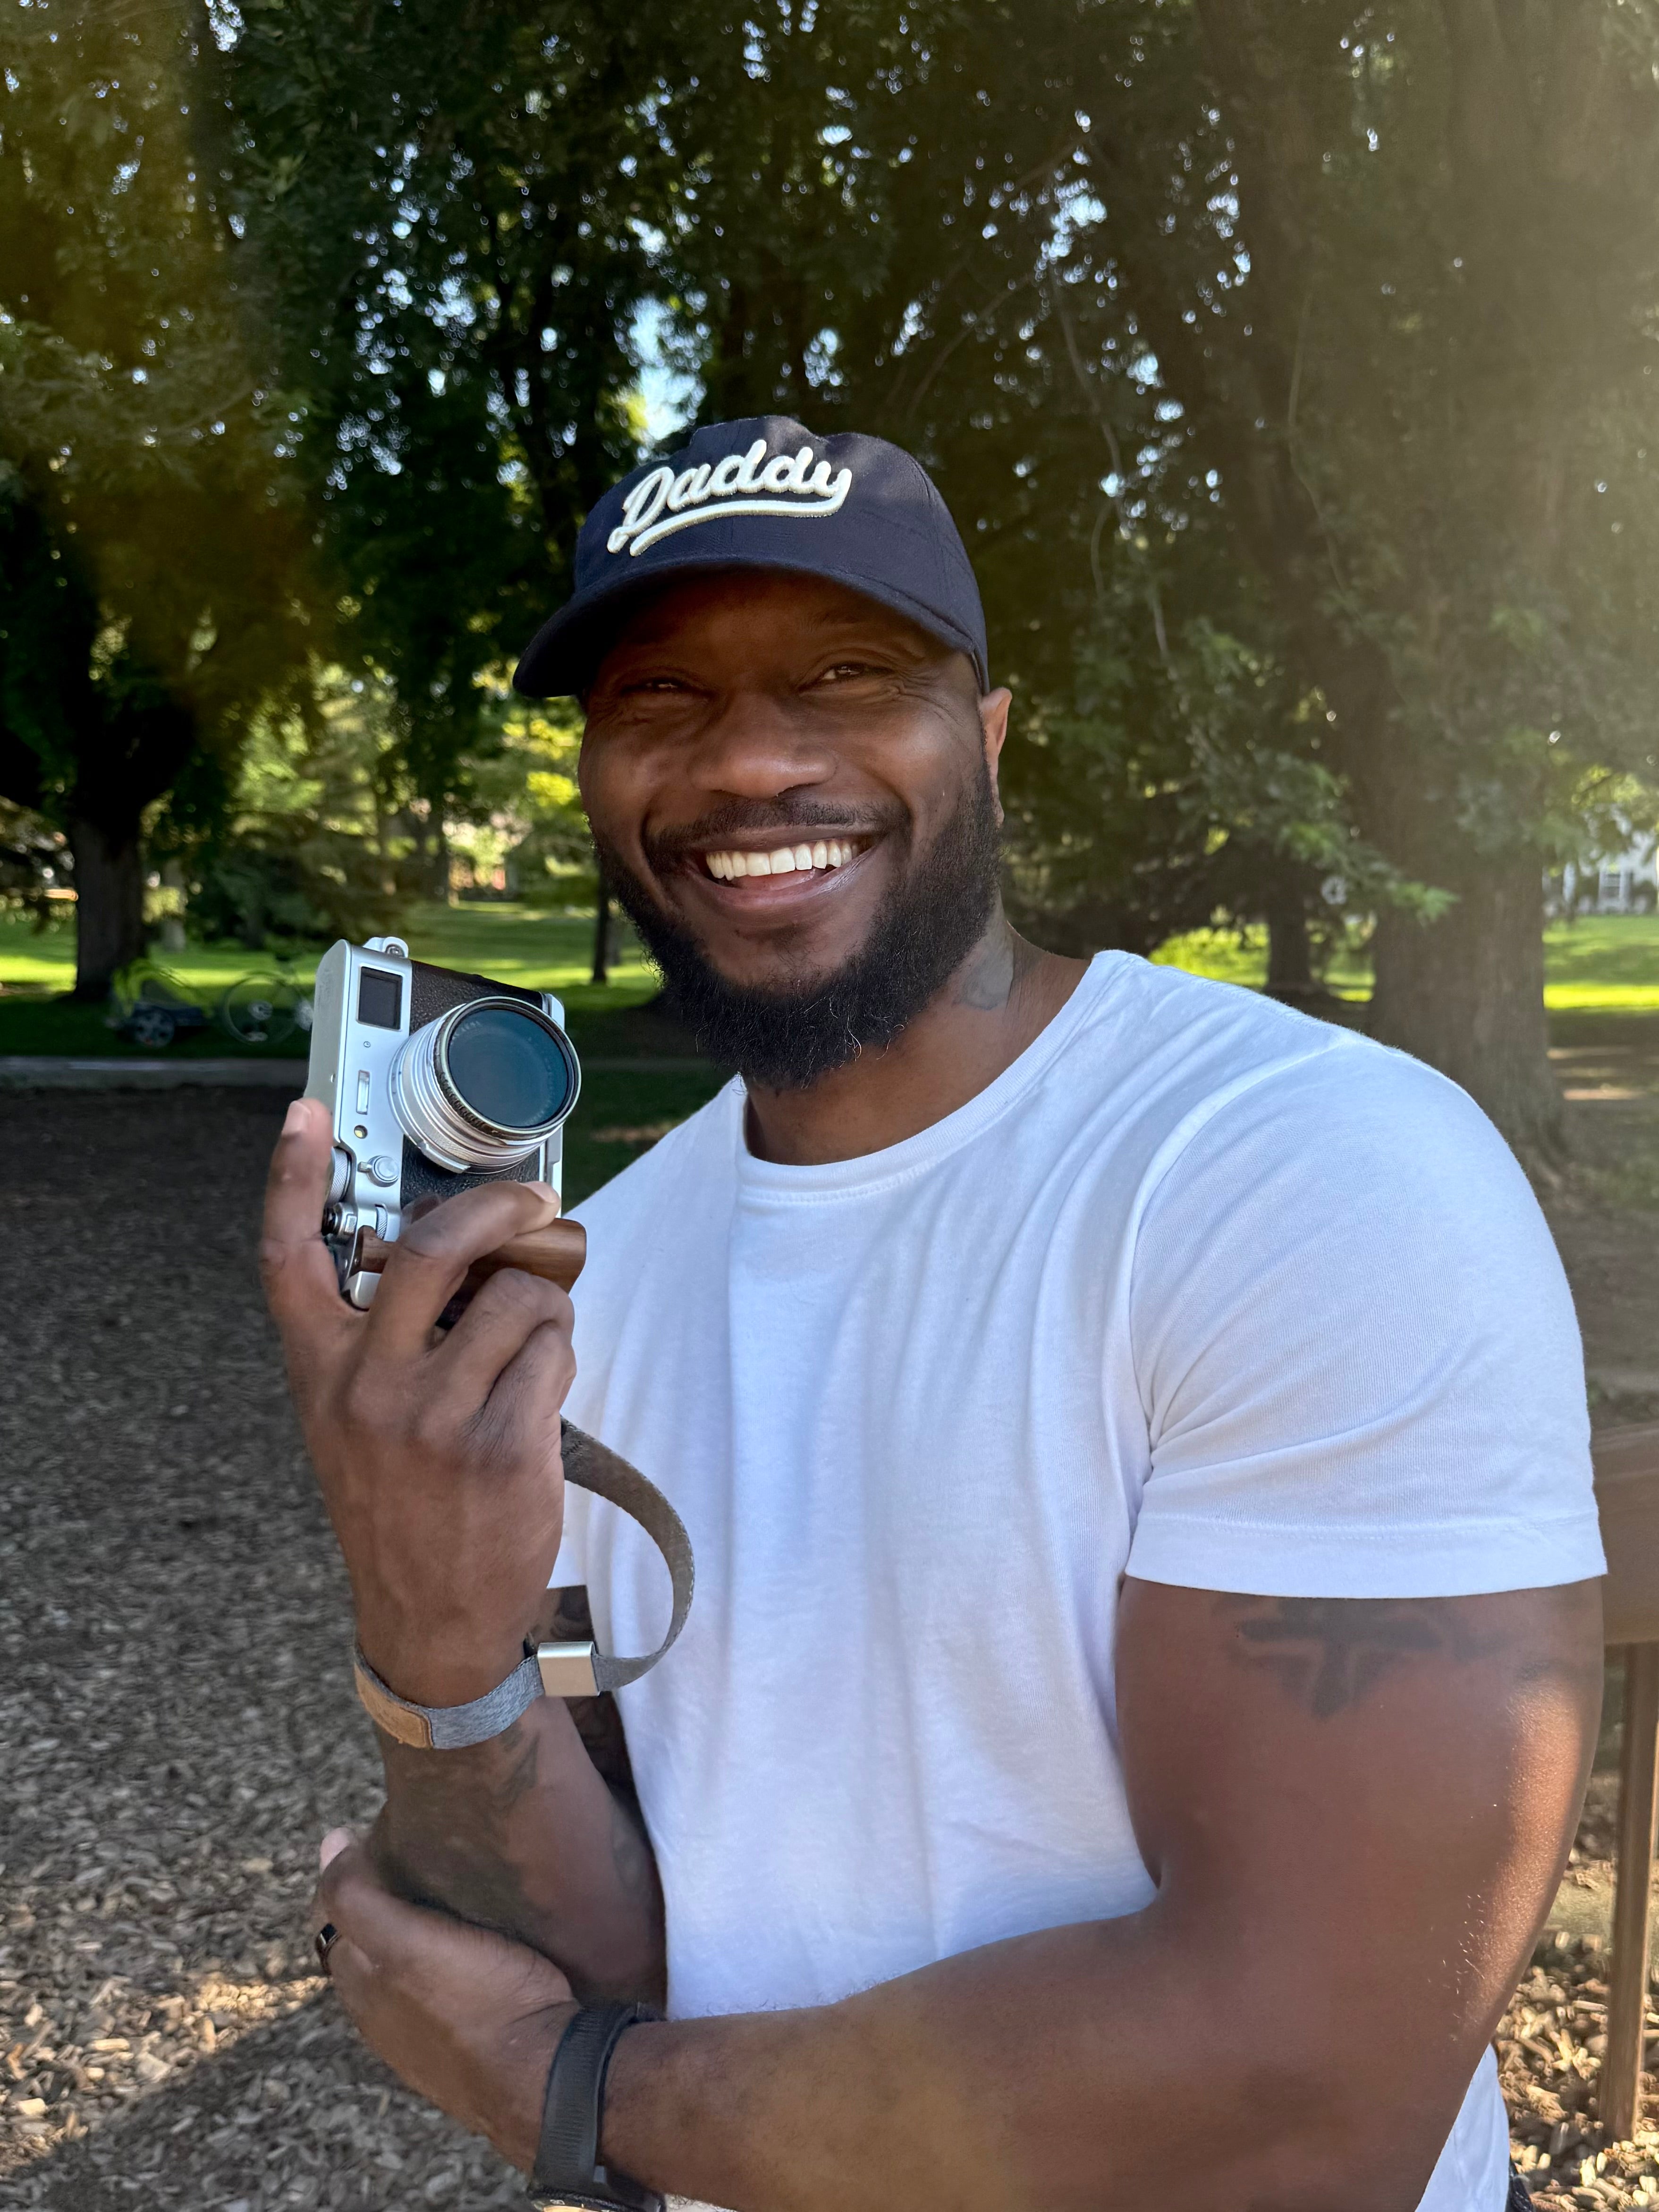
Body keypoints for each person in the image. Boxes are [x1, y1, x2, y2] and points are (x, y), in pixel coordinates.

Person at [262, 415, 1605, 2212]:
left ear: (982, 734)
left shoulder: (1296, 1173)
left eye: (844, 670)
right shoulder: (602, 1267)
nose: (747, 760)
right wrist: (431, 1631)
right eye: (658, 697)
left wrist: (559, 2094)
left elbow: (1303, 2097)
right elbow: (649, 1953)